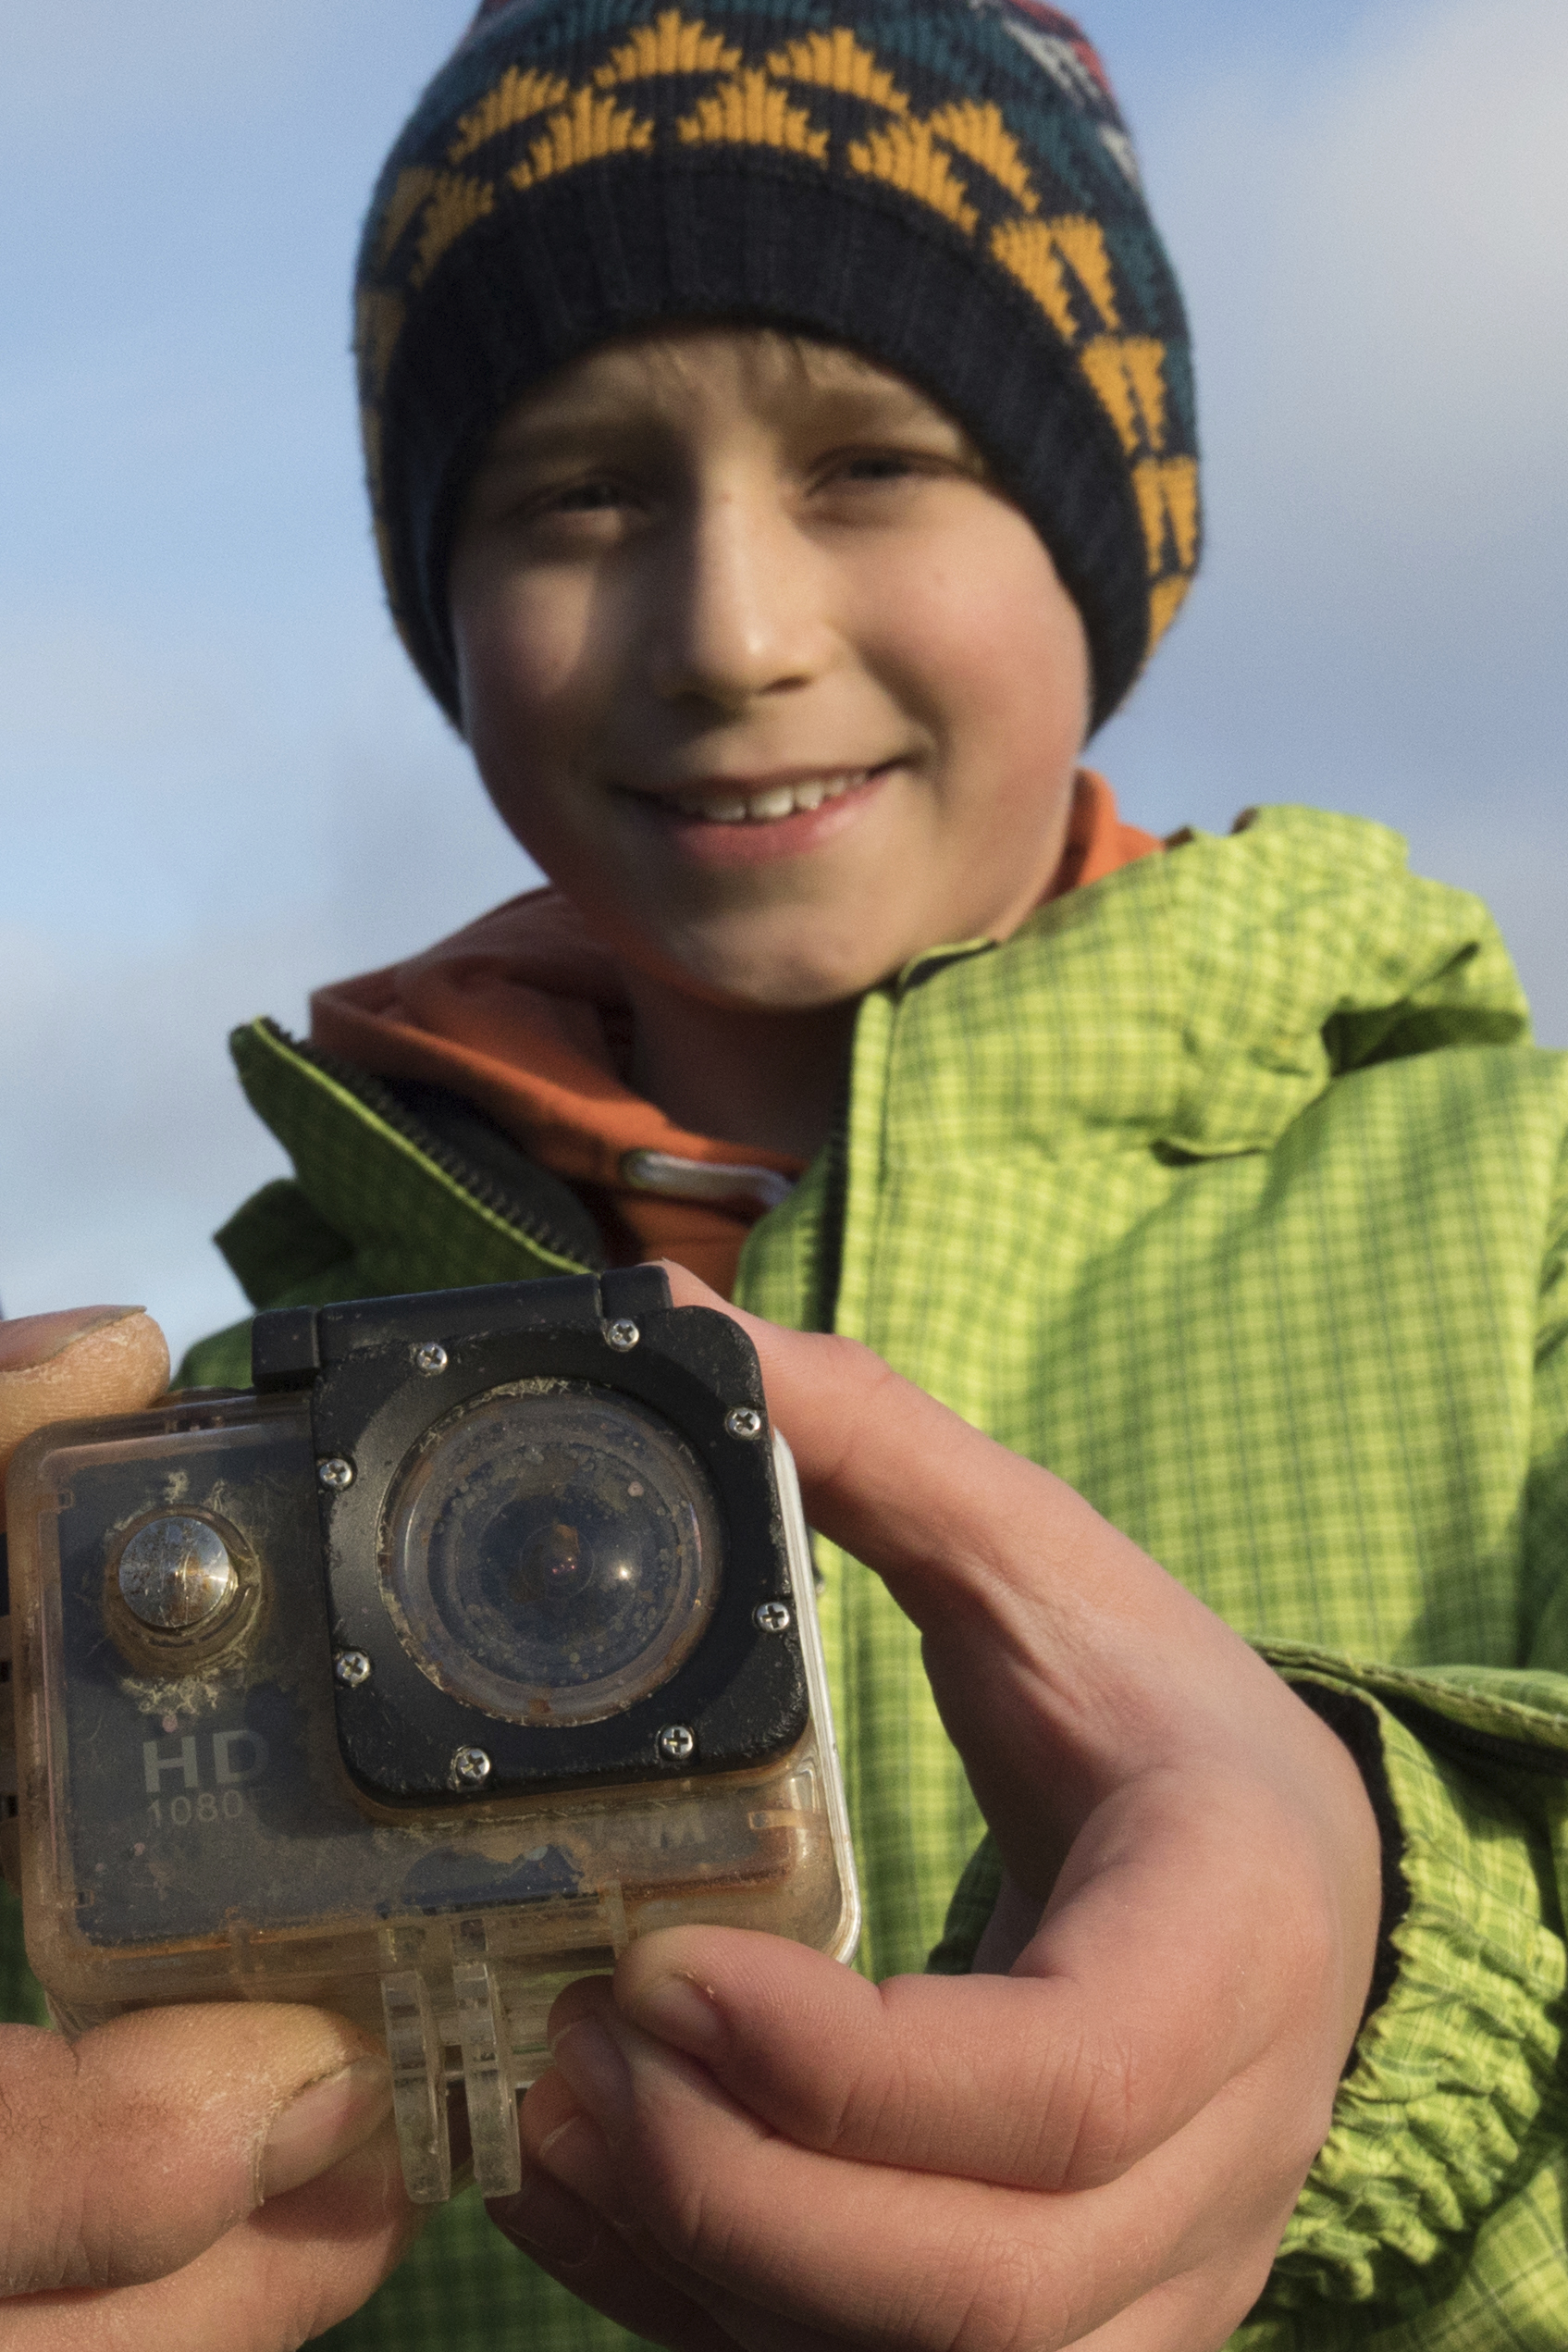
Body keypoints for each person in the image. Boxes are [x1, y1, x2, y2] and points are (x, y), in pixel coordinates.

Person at [2, 3, 1565, 2346]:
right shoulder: (188, 1468)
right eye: (577, 495)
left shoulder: (1519, 1218)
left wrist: (1391, 1959)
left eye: (870, 462)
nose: (730, 630)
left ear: (1108, 528)